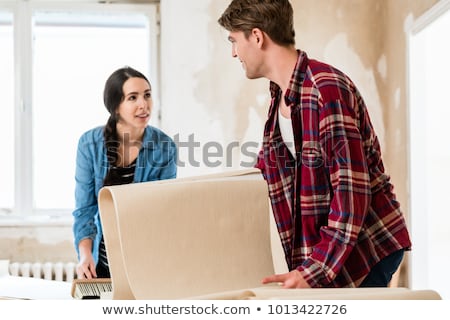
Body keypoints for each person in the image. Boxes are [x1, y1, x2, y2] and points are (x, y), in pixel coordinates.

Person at [218, 0, 411, 288]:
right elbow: (268, 171)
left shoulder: (325, 89)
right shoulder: (281, 97)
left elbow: (351, 196)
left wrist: (315, 270)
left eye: (234, 41)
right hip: (333, 248)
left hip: (366, 246)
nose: (233, 52)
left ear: (256, 37)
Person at [72, 66, 177, 279]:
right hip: (100, 266)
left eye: (147, 95)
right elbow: (84, 210)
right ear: (116, 106)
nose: (143, 104)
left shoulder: (164, 146)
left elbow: (163, 210)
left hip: (145, 264)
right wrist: (85, 255)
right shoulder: (89, 144)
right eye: (133, 97)